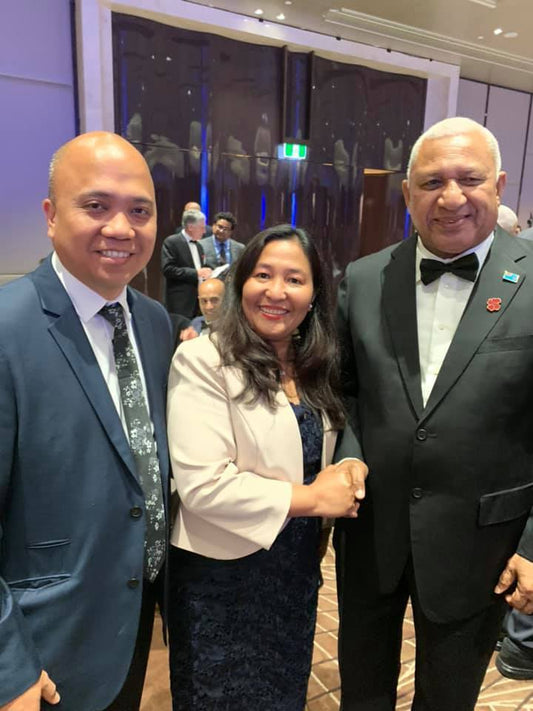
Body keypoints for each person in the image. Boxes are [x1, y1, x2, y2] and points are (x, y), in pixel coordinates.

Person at [334, 116, 533, 711]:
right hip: (371, 532)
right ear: (407, 194)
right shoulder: (366, 277)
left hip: (484, 542)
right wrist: (347, 460)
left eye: (468, 179)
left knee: (449, 698)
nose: (450, 198)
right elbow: (345, 391)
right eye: (431, 182)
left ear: (498, 185)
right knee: (361, 691)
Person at [0, 132, 173, 711]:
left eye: (140, 210)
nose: (121, 228)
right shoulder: (7, 330)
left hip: (129, 625)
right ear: (50, 216)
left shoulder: (152, 324)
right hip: (41, 646)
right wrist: (6, 668)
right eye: (96, 206)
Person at [166, 224, 368, 710]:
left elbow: (323, 445)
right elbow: (205, 488)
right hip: (223, 574)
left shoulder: (314, 363)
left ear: (315, 293)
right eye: (263, 275)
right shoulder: (203, 359)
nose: (277, 292)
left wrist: (350, 466)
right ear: (240, 284)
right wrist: (316, 499)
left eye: (295, 279)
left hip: (294, 568)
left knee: (282, 692)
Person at [161, 209, 212, 317]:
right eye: (202, 227)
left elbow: (200, 267)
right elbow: (168, 269)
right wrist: (196, 273)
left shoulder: (199, 246)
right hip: (180, 303)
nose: (204, 231)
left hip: (198, 301)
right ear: (190, 227)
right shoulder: (172, 242)